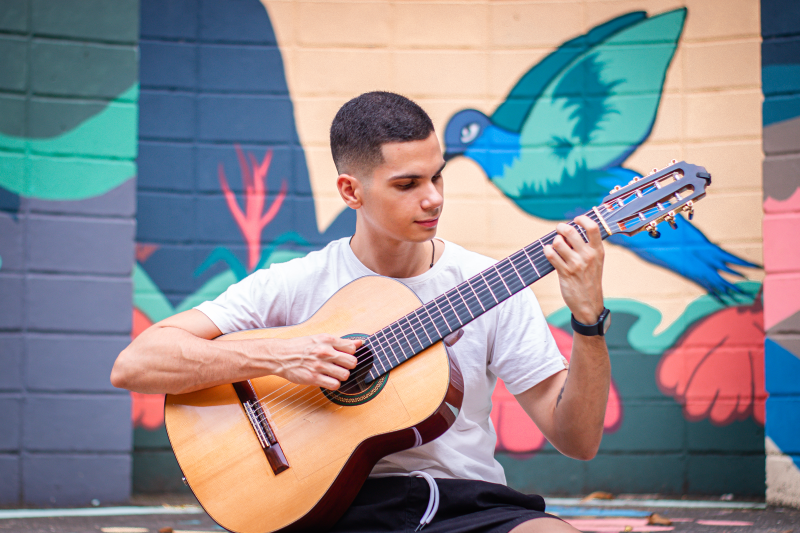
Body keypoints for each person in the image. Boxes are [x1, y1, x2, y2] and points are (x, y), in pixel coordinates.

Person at [111, 91, 611, 533]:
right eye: (407, 184)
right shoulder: (297, 282)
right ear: (351, 191)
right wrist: (281, 358)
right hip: (331, 508)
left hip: (464, 505)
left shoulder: (491, 286)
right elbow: (136, 364)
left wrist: (588, 322)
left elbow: (579, 442)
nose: (433, 198)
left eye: (437, 176)